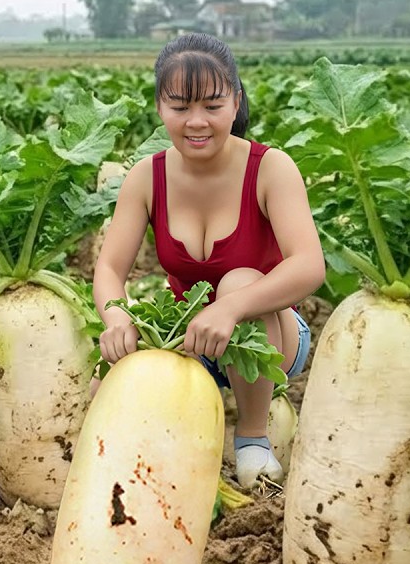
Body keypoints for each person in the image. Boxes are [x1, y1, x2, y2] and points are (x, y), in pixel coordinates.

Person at [91, 32, 326, 488]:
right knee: (106, 379)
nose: (196, 122)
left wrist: (231, 307)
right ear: (160, 107)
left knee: (238, 283)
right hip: (191, 336)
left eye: (213, 106)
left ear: (236, 102)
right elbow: (109, 269)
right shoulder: (146, 177)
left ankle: (253, 439)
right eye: (180, 107)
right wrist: (116, 318)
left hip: (271, 338)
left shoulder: (270, 168)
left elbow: (308, 265)